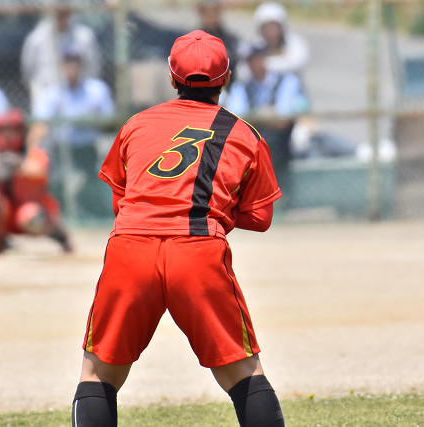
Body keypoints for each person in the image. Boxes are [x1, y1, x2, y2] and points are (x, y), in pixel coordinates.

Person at [71, 30, 284, 427]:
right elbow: (260, 217)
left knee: (99, 373)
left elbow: (121, 200)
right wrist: (211, 207)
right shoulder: (244, 134)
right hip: (199, 250)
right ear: (227, 78)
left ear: (172, 78)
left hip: (130, 248)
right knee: (243, 371)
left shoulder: (137, 124)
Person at [0, 109, 72, 254]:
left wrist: (19, 166)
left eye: (13, 131)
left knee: (29, 215)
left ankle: (61, 237)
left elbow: (40, 171)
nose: (7, 135)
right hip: (4, 216)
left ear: (22, 132)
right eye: (3, 131)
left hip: (30, 216)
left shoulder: (32, 154)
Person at [28, 47, 114, 215]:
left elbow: (111, 122)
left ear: (81, 66)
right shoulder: (53, 92)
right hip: (61, 148)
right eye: (67, 63)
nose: (71, 67)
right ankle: (60, 216)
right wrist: (32, 154)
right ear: (61, 66)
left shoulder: (96, 89)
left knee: (90, 185)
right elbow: (40, 125)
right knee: (57, 184)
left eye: (75, 62)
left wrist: (92, 122)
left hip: (88, 148)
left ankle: (89, 216)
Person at [225, 45, 308, 209]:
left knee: (268, 143)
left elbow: (282, 121)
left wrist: (254, 117)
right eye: (249, 61)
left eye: (256, 59)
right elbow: (235, 119)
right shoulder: (242, 87)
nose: (253, 64)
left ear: (264, 59)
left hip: (282, 143)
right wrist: (265, 114)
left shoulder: (286, 81)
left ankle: (276, 199)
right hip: (250, 140)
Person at [20, 4, 100, 112]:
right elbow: (28, 72)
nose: (61, 17)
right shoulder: (36, 38)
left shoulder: (84, 36)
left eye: (64, 13)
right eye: (57, 13)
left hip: (78, 97)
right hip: (45, 94)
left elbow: (93, 69)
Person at [251, 1, 309, 76]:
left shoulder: (295, 43)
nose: (270, 31)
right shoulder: (256, 45)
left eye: (273, 26)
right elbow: (244, 70)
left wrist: (264, 64)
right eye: (266, 27)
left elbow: (297, 63)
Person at [197, 0, 240, 85]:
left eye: (214, 11)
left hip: (226, 88)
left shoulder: (231, 41)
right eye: (206, 12)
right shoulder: (192, 41)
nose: (211, 16)